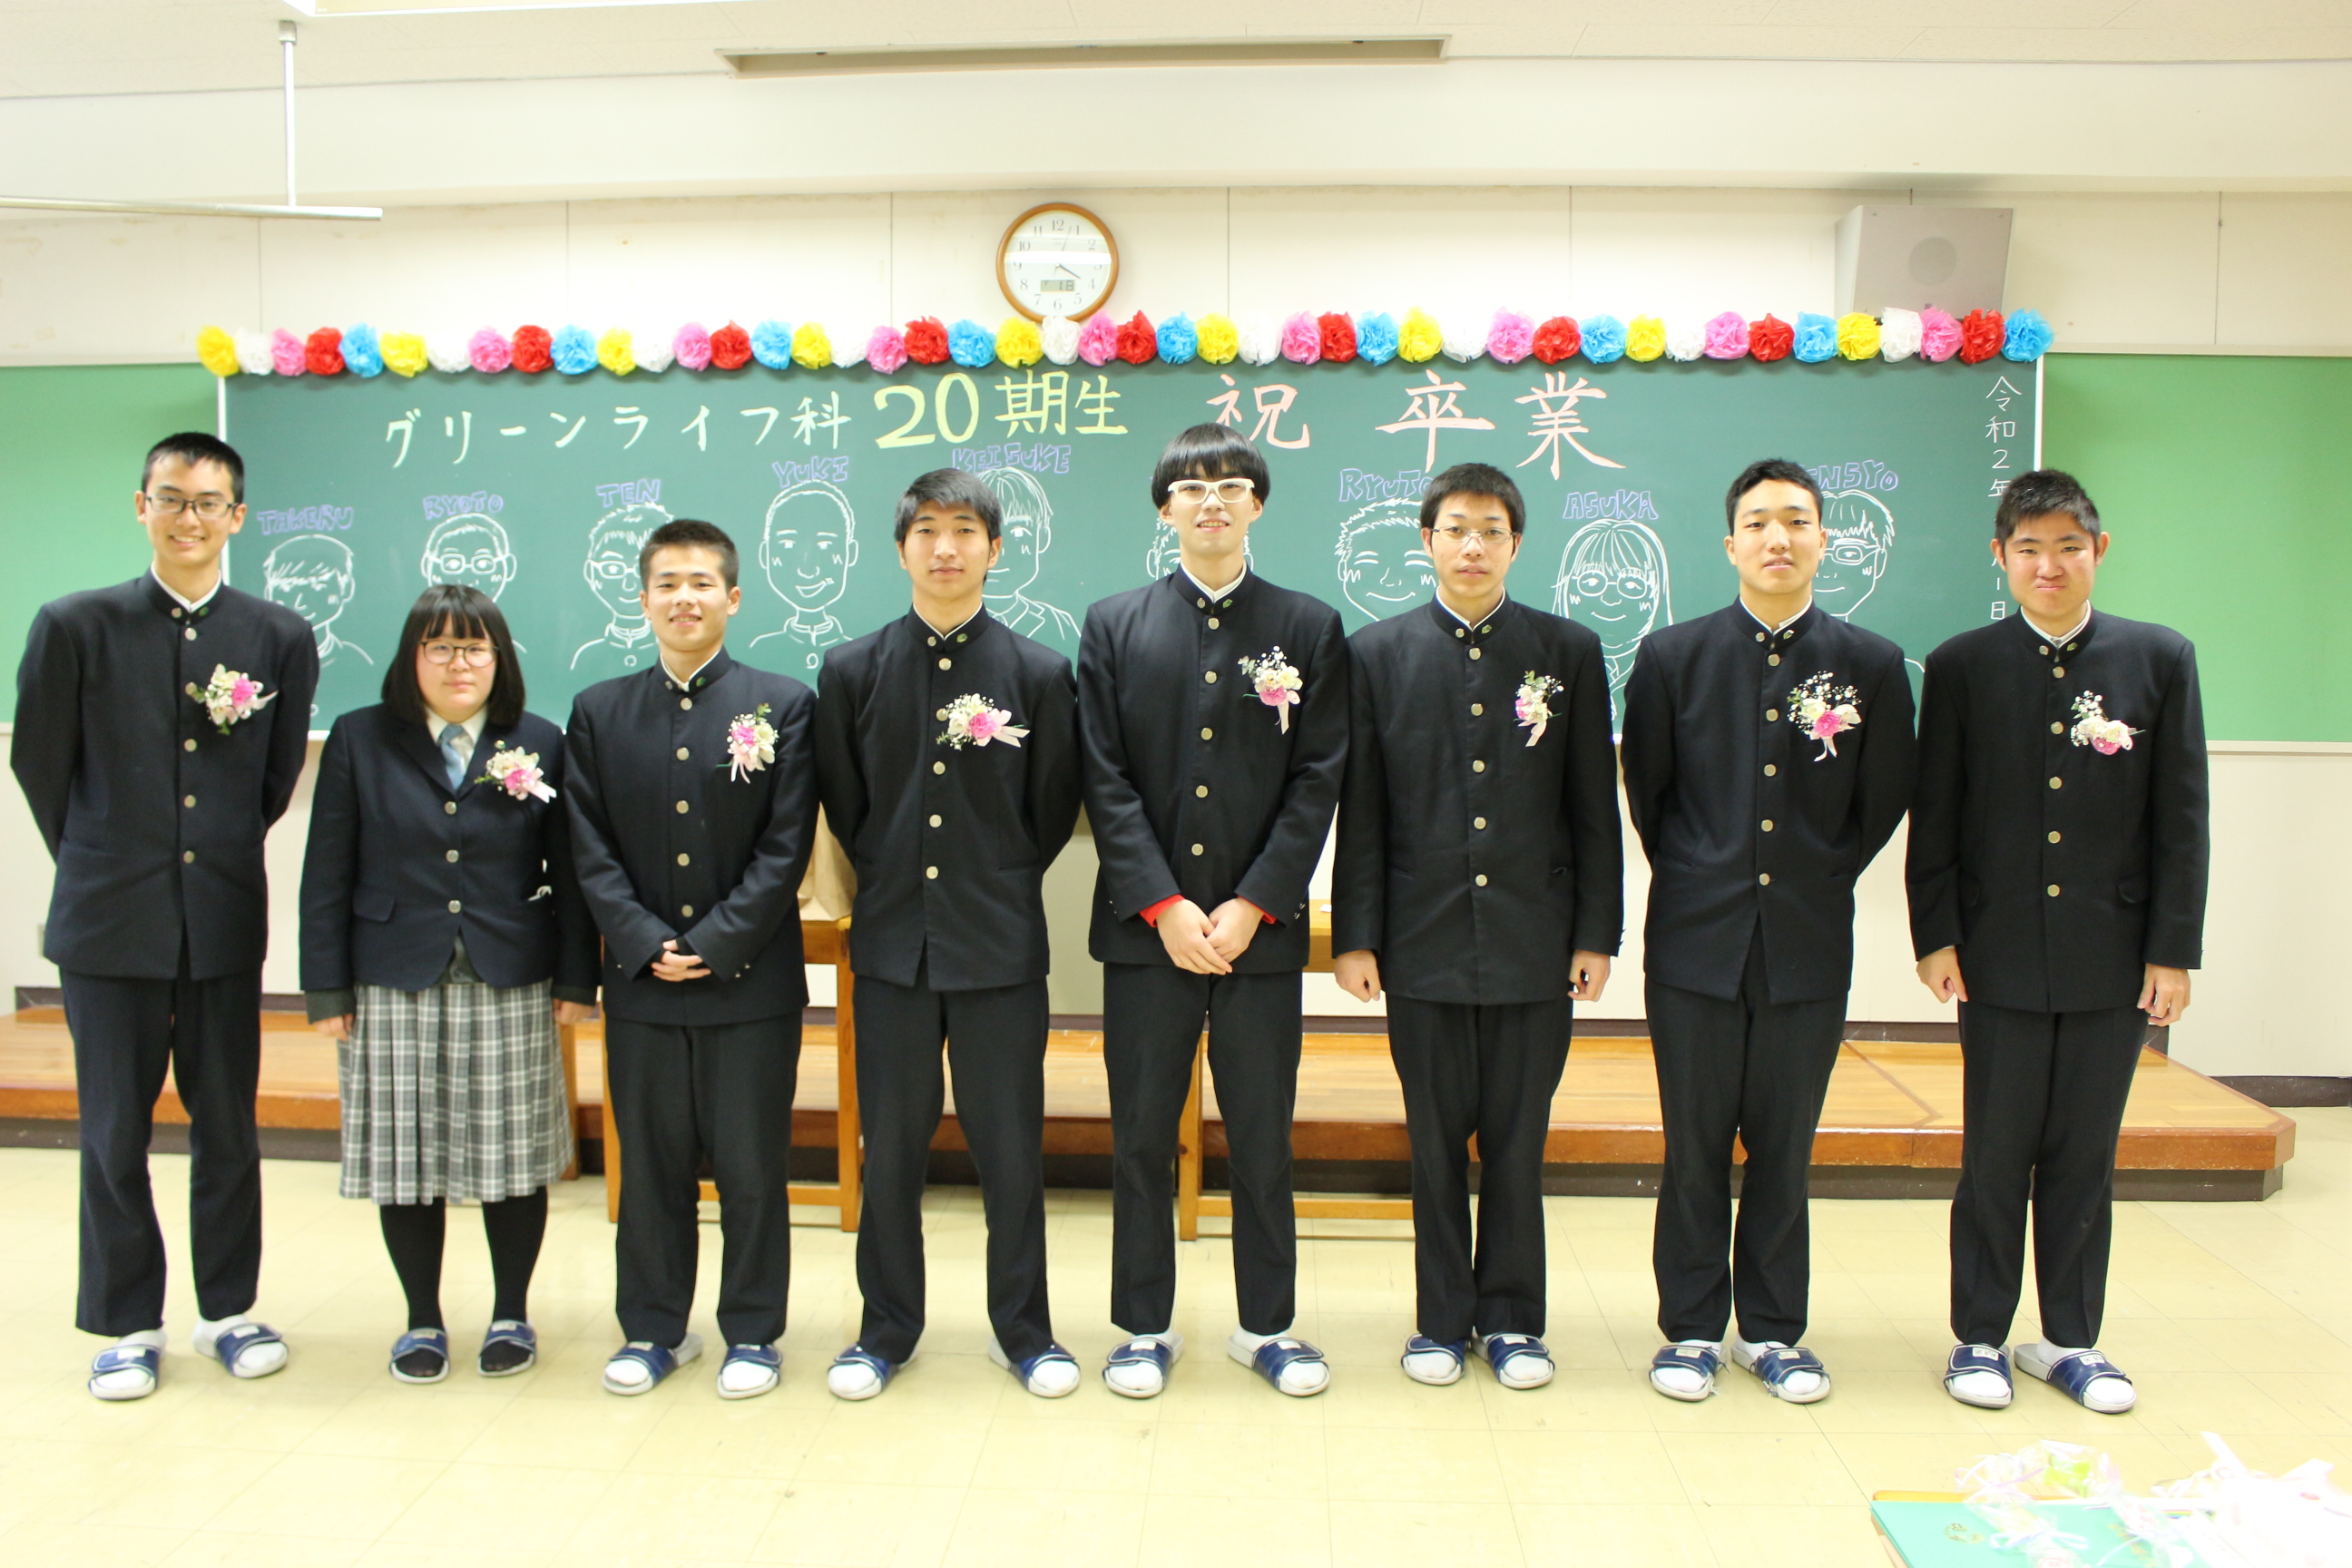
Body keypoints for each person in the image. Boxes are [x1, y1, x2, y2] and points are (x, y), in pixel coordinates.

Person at [11, 432, 318, 1401]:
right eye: (172, 498)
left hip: (221, 920)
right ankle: (125, 1323)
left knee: (229, 1126)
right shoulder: (75, 624)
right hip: (107, 926)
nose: (190, 518)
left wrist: (204, 858)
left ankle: (228, 1310)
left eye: (209, 502)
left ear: (237, 516)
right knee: (113, 1133)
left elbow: (272, 781)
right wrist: (105, 858)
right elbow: (40, 766)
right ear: (141, 506)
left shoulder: (277, 635)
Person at [1908, 468, 2206, 1416]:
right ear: (2000, 556)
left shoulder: (2159, 658)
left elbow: (2182, 818)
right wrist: (1936, 934)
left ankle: (2072, 1339)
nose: (2049, 565)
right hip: (1993, 953)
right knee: (1995, 1154)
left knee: (2085, 1156)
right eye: (2029, 549)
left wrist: (2172, 950)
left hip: (2112, 956)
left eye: (2068, 547)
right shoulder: (1961, 664)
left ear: (2098, 551)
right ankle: (1979, 1337)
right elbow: (1937, 813)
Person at [1621, 457, 1915, 1406]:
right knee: (1694, 1145)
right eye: (1757, 522)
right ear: (1730, 543)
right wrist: (1707, 874)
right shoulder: (1672, 657)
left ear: (1823, 538)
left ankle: (1776, 1331)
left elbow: (1880, 801)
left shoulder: (1873, 665)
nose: (1776, 538)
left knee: (1786, 1148)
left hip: (1808, 940)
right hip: (1695, 944)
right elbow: (1651, 794)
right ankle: (1691, 1329)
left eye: (1795, 520)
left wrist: (1816, 875)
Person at [1332, 463, 1622, 1391]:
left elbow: (1593, 806)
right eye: (1455, 528)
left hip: (1537, 941)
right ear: (1428, 540)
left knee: (1517, 1143)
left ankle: (1512, 1321)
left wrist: (1596, 934)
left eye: (1491, 531)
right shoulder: (1376, 653)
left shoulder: (1567, 650)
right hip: (1420, 941)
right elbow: (1362, 810)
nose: (1472, 546)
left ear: (1515, 545)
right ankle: (1438, 1321)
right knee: (1431, 1143)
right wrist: (1356, 936)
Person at [1077, 424, 1348, 1399]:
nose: (1212, 500)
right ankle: (1143, 1326)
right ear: (1165, 507)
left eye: (1232, 484)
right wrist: (1162, 903)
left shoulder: (1309, 627)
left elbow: (1317, 779)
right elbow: (1103, 776)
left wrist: (1253, 903)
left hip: (1258, 939)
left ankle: (1267, 1325)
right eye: (1191, 486)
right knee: (1142, 1135)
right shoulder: (1114, 624)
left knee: (1263, 1135)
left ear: (1257, 504)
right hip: (1145, 936)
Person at [814, 469, 1083, 1401]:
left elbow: (1050, 812)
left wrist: (990, 881)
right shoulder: (851, 670)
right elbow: (848, 805)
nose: (945, 546)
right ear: (901, 549)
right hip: (892, 947)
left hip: (998, 945)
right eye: (926, 528)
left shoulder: (1039, 674)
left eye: (965, 529)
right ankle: (884, 1331)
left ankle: (1026, 1332)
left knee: (1010, 1151)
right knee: (890, 1151)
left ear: (994, 549)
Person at [299, 584, 599, 1384]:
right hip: (392, 974)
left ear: (499, 659)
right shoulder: (361, 738)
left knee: (513, 1154)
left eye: (474, 648)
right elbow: (325, 871)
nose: (457, 663)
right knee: (406, 1159)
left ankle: (511, 1314)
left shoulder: (538, 740)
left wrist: (579, 977)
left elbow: (571, 874)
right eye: (439, 646)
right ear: (413, 658)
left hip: (510, 971)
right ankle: (422, 1320)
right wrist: (326, 989)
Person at [564, 518, 818, 1400]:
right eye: (667, 583)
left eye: (702, 582)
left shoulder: (783, 705)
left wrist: (713, 943)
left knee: (752, 1169)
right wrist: (642, 941)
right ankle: (653, 1330)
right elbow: (588, 846)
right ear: (643, 600)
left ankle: (752, 1331)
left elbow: (786, 848)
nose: (685, 598)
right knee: (650, 1169)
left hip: (751, 986)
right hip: (640, 988)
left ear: (733, 598)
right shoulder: (598, 711)